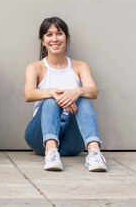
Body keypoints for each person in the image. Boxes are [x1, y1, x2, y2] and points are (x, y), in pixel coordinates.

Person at [23, 16, 107, 172]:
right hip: (39, 137)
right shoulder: (35, 67)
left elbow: (93, 91)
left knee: (83, 99)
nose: (54, 39)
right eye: (49, 34)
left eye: (59, 33)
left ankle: (95, 153)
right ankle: (51, 151)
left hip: (71, 140)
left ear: (66, 38)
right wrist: (54, 93)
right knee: (50, 100)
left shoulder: (80, 66)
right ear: (43, 41)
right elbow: (28, 94)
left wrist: (76, 91)